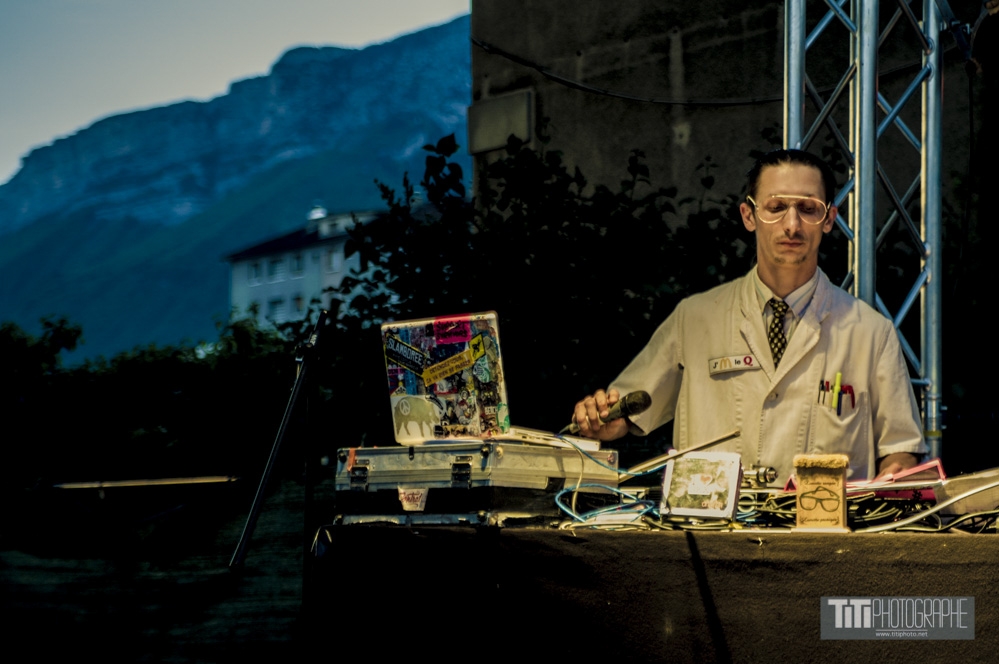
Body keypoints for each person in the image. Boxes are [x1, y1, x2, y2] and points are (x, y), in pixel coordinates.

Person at [572, 149, 926, 482]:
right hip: (711, 524)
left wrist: (893, 477)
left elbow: (901, 450)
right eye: (776, 207)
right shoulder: (694, 319)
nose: (792, 224)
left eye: (808, 208)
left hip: (819, 527)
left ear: (829, 219)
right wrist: (603, 420)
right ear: (748, 215)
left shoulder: (871, 333)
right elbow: (627, 412)